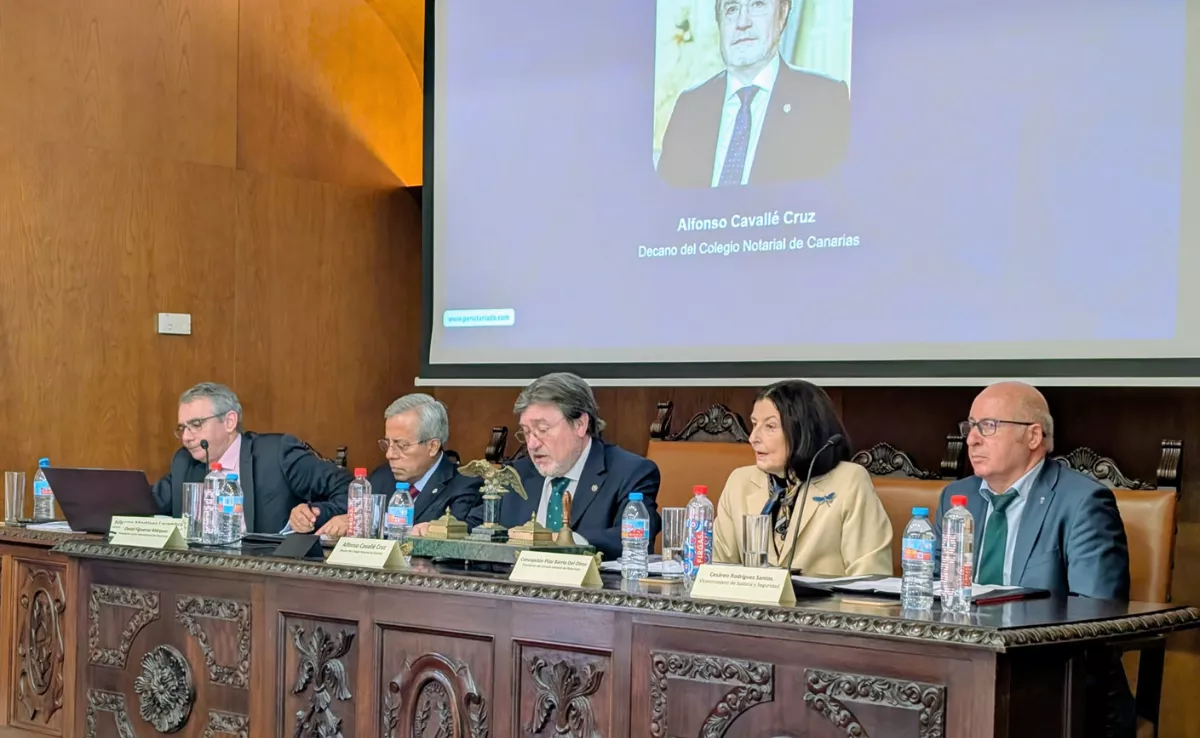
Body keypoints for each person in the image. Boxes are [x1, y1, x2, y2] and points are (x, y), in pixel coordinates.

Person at [932, 381, 1130, 599]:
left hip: (1037, 632)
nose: (971, 439)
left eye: (988, 426)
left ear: (1033, 436)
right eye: (970, 426)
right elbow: (932, 586)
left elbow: (1095, 610)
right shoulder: (957, 497)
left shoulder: (1083, 503)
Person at [457, 372, 661, 560]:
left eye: (543, 430)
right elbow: (476, 526)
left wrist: (563, 542)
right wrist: (439, 529)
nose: (532, 444)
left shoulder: (630, 472)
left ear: (580, 425)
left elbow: (634, 538)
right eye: (527, 432)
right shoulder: (517, 474)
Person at [657, 0, 850, 188]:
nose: (742, 22)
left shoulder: (825, 100)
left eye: (757, 5)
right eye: (731, 8)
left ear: (782, 13)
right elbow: (663, 208)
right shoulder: (689, 107)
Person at [713, 380, 892, 575]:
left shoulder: (849, 481)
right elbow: (716, 571)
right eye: (754, 424)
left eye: (770, 426)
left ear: (803, 430)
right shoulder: (740, 482)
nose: (753, 437)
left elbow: (870, 580)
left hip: (822, 606)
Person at [152, 382, 351, 534]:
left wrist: (313, 512)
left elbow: (349, 489)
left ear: (230, 421)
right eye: (182, 428)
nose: (186, 437)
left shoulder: (276, 454)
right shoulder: (185, 462)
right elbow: (147, 504)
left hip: (269, 573)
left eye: (196, 424)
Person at [301, 394, 482, 537]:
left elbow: (458, 534)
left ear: (432, 446)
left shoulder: (465, 485)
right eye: (387, 444)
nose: (389, 455)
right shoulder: (382, 476)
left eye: (401, 446)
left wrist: (372, 522)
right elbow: (344, 511)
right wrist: (310, 515)